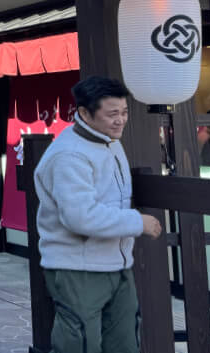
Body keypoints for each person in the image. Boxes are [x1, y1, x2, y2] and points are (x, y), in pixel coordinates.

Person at [34, 76, 163, 353]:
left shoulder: (110, 142)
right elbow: (80, 216)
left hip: (116, 263)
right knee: (79, 345)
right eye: (112, 114)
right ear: (83, 113)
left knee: (125, 342)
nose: (121, 120)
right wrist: (137, 222)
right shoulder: (68, 154)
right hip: (76, 268)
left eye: (124, 112)